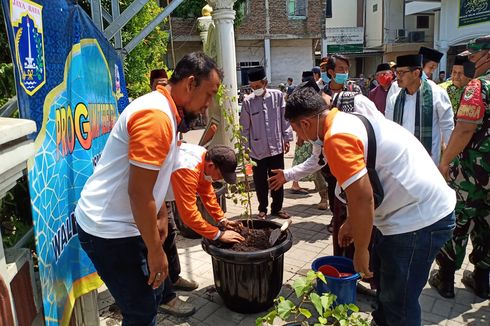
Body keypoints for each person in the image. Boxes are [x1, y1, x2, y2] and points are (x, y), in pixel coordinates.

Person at [284, 86, 455, 326]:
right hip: (406, 215)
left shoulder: (337, 138)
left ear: (305, 123)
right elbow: (362, 191)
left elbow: (363, 198)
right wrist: (351, 223)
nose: (299, 139)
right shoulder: (346, 120)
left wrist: (361, 251)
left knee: (400, 305)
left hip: (418, 220)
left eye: (296, 132)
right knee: (387, 290)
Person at [75, 52, 222, 325]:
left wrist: (162, 215)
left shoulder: (166, 112)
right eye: (209, 94)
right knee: (141, 311)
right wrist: (156, 251)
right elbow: (139, 193)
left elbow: (156, 176)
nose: (208, 105)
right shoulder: (155, 117)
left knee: (148, 300)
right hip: (108, 229)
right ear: (190, 84)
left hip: (125, 224)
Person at [429, 35, 490, 300]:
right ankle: (482, 279)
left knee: (457, 221)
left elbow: (464, 129)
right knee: (487, 223)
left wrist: (444, 162)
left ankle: (446, 279)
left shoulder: (478, 86)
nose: (469, 64)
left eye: (473, 58)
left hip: (471, 173)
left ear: (487, 57)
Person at [149, 69, 200, 296]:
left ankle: (174, 277)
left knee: (169, 235)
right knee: (159, 238)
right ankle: (166, 293)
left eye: (164, 83)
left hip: (164, 188)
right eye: (158, 84)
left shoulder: (172, 111)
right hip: (151, 194)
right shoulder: (152, 112)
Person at [240, 66, 293, 220]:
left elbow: (285, 118)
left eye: (257, 86)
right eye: (252, 86)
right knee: (260, 181)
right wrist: (245, 147)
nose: (254, 89)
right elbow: (244, 127)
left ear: (265, 83)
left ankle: (277, 208)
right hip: (257, 149)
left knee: (278, 178)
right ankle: (262, 208)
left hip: (276, 146)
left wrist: (287, 138)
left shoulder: (277, 96)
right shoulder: (248, 101)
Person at [385, 54, 454, 165]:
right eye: (396, 73)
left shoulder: (437, 94)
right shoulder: (394, 99)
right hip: (401, 160)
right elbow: (388, 129)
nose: (397, 77)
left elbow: (447, 127)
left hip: (428, 161)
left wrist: (449, 160)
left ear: (416, 73)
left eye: (401, 73)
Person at [169, 143, 245, 243]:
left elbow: (206, 191)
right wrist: (217, 234)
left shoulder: (204, 156)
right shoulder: (187, 169)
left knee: (167, 235)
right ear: (211, 165)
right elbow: (188, 214)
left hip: (158, 195)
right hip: (149, 195)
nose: (220, 179)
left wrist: (222, 219)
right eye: (220, 175)